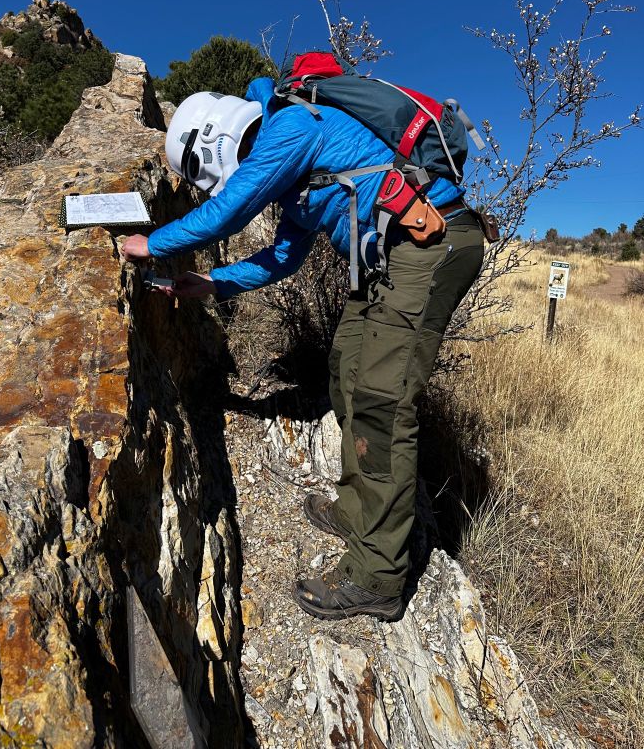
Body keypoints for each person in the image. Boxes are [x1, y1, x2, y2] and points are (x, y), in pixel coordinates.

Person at [122, 69, 484, 621]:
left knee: (383, 403)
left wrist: (155, 243)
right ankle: (360, 508)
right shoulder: (296, 174)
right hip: (387, 259)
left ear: (217, 145)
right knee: (345, 372)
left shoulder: (291, 127)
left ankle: (378, 576)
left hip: (431, 244)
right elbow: (282, 257)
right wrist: (213, 284)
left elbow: (229, 212)